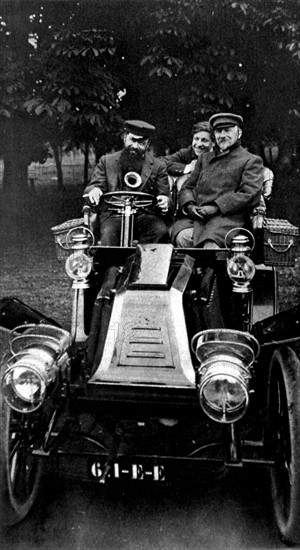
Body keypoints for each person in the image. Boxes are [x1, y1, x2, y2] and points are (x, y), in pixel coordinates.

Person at [171, 113, 264, 249]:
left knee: (210, 244)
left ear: (239, 133)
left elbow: (249, 194)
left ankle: (210, 270)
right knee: (182, 237)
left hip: (230, 219)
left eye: (228, 130)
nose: (222, 135)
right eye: (219, 131)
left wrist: (216, 207)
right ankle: (192, 271)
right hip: (199, 218)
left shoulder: (250, 160)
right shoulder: (204, 159)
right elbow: (187, 187)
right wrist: (190, 206)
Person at [83, 120, 171, 246]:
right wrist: (95, 190)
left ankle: (140, 262)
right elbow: (93, 186)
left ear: (148, 144)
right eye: (132, 140)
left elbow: (165, 195)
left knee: (160, 230)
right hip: (114, 214)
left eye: (141, 142)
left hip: (144, 216)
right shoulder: (107, 161)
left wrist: (164, 200)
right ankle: (110, 265)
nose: (135, 146)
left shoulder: (158, 166)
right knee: (109, 233)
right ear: (125, 137)